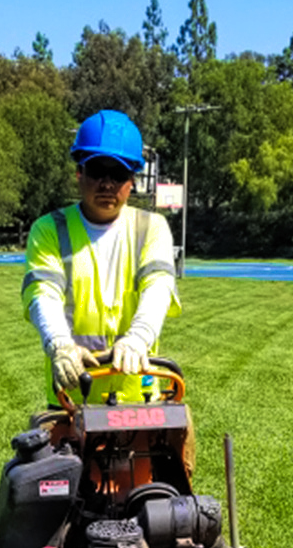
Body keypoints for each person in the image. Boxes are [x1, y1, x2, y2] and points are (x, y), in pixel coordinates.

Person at [21, 110, 180, 404]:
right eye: (97, 170)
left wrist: (139, 337)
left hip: (139, 397)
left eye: (118, 173)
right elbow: (42, 293)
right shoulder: (49, 230)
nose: (107, 184)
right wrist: (58, 344)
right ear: (79, 172)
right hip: (71, 398)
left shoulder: (152, 228)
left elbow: (158, 288)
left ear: (132, 179)